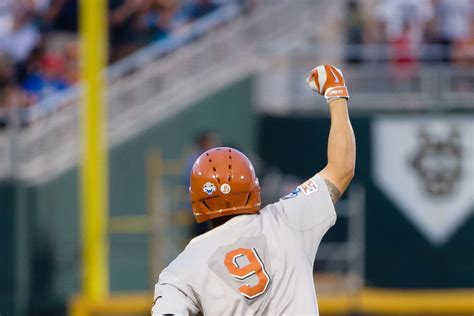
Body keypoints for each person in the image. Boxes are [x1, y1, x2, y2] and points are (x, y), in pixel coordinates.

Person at [152, 64, 356, 315]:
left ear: (197, 201)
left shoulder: (181, 270)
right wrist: (336, 96)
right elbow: (342, 168)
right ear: (252, 187)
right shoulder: (287, 219)